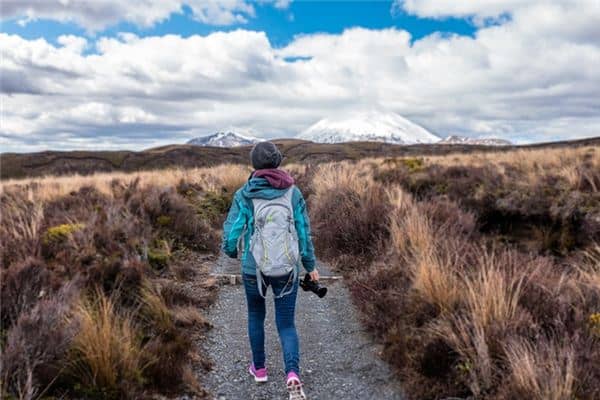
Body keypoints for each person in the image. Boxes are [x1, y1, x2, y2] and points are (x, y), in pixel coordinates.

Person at [221, 141, 318, 400]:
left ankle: (260, 369)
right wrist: (310, 266)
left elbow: (232, 232)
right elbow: (303, 233)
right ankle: (292, 374)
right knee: (286, 324)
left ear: (254, 164)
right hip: (287, 269)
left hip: (254, 269)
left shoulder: (244, 193)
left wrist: (231, 251)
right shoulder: (293, 193)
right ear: (277, 162)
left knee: (255, 316)